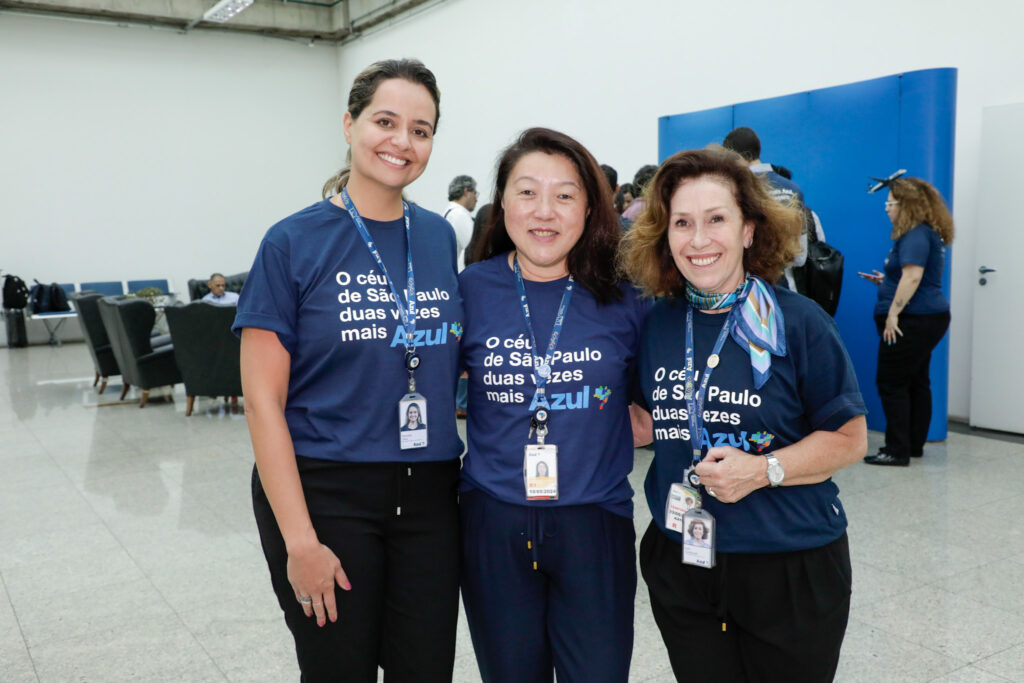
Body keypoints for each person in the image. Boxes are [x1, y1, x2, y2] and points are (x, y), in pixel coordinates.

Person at [233, 58, 464, 683]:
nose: (402, 141)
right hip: (327, 492)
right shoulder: (293, 242)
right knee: (340, 670)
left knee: (426, 670)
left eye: (421, 129)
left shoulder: (440, 239)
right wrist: (300, 542)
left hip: (430, 496)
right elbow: (261, 403)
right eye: (385, 121)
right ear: (349, 124)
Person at [620, 147, 867, 683]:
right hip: (681, 557)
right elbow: (647, 422)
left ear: (750, 230)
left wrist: (760, 470)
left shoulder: (799, 323)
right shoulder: (656, 324)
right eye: (682, 223)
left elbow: (849, 439)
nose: (698, 239)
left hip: (788, 562)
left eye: (716, 220)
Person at [459, 127, 647, 683]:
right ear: (502, 202)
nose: (545, 212)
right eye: (526, 192)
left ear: (590, 208)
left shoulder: (626, 295)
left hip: (596, 521)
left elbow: (656, 396)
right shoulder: (470, 289)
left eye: (564, 195)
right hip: (493, 518)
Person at [859, 174, 954, 466]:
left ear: (906, 205)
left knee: (891, 382)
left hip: (913, 319)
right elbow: (910, 276)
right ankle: (912, 444)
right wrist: (885, 281)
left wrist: (893, 314)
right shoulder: (925, 233)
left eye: (891, 203)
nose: (886, 208)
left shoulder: (914, 234)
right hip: (927, 317)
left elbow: (913, 276)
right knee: (915, 381)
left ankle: (896, 450)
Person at [444, 174, 477, 271]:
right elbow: (475, 249)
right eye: (475, 193)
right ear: (466, 191)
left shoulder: (449, 212)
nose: (476, 199)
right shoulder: (459, 214)